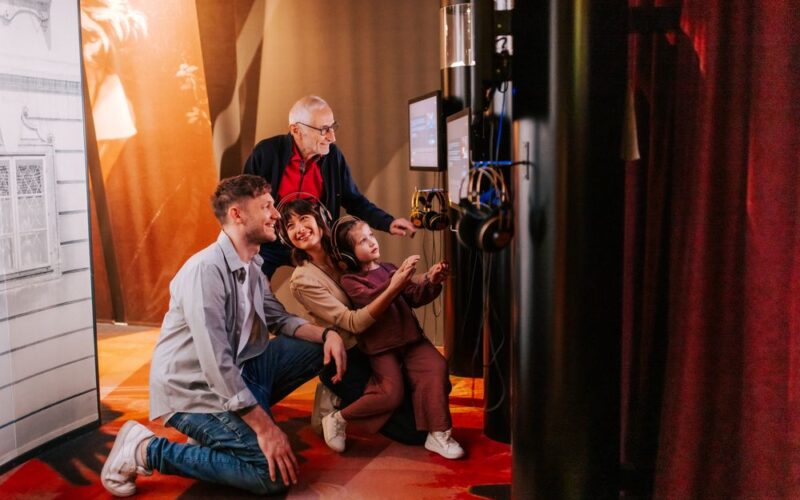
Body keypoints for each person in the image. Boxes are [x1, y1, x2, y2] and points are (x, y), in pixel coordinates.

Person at [100, 175, 347, 496]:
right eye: (267, 207)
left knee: (315, 347)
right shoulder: (206, 271)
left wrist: (328, 334)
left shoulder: (252, 264)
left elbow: (280, 320)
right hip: (195, 394)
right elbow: (215, 364)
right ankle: (146, 449)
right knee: (271, 476)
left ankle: (220, 433)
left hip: (241, 374)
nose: (276, 215)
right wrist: (265, 428)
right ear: (237, 214)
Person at [279, 198, 428, 446]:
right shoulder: (302, 280)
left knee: (427, 405)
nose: (299, 229)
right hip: (348, 354)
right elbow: (353, 322)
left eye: (303, 218)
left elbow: (382, 282)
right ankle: (333, 397)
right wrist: (394, 287)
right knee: (413, 432)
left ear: (320, 219)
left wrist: (427, 279)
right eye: (290, 226)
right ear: (285, 236)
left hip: (377, 343)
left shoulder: (344, 253)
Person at [324, 216, 464, 459]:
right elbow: (372, 300)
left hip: (411, 340)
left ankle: (439, 434)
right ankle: (338, 418)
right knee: (390, 393)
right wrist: (397, 280)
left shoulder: (389, 268)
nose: (371, 242)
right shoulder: (350, 280)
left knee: (436, 367)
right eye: (362, 241)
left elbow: (413, 296)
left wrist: (431, 280)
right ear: (348, 254)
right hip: (382, 348)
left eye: (371, 235)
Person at [243, 95, 417, 278]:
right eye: (324, 130)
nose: (332, 138)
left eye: (332, 127)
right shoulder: (267, 152)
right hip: (269, 242)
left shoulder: (333, 156)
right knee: (251, 292)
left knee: (347, 287)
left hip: (316, 243)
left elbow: (354, 200)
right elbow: (246, 202)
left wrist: (387, 222)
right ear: (296, 130)